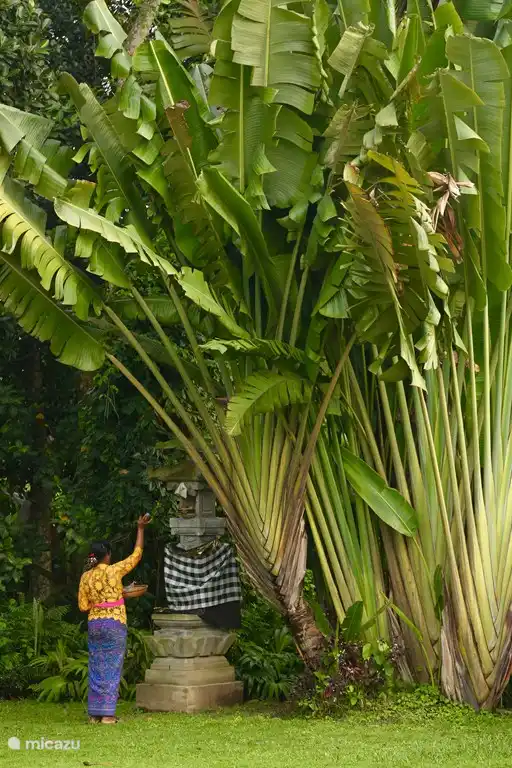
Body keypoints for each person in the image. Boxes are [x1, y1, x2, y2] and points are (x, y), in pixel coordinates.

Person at [78, 514, 151, 724]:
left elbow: (83, 606)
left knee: (96, 665)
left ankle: (94, 715)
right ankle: (108, 715)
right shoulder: (114, 571)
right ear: (107, 555)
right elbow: (136, 555)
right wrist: (140, 529)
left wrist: (102, 600)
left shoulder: (85, 576)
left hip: (95, 624)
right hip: (114, 623)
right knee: (112, 665)